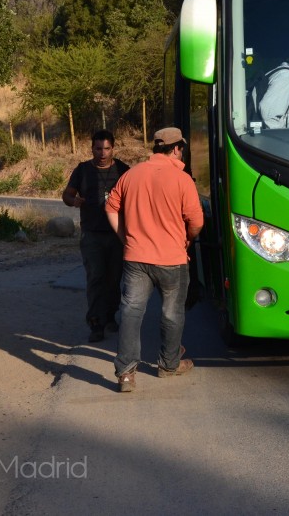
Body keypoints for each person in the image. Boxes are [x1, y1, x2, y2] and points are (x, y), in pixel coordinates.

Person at [105, 127, 204, 393]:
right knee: (171, 313)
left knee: (130, 312)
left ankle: (126, 374)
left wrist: (124, 236)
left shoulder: (131, 175)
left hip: (136, 257)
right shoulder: (182, 179)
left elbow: (111, 207)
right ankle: (169, 365)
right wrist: (188, 239)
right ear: (176, 149)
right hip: (172, 259)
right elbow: (196, 221)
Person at [62, 129, 129, 343]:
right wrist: (73, 201)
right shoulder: (82, 170)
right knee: (96, 278)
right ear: (92, 149)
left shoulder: (123, 170)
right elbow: (67, 194)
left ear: (113, 149)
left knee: (114, 279)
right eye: (98, 148)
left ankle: (110, 316)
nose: (102, 153)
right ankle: (96, 323)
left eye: (107, 148)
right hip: (91, 235)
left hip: (116, 235)